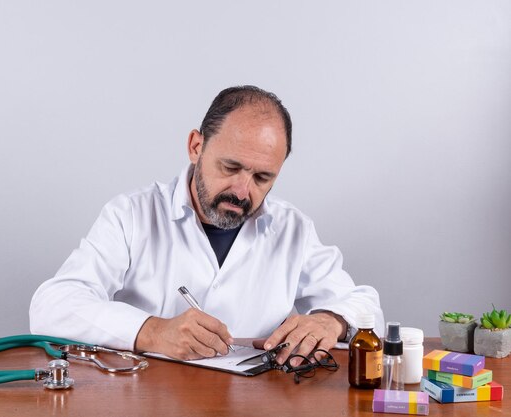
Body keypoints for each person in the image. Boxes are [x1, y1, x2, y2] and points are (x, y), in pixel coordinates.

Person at [30, 85, 384, 365]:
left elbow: (366, 306)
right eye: (230, 168)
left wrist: (332, 320)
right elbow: (52, 305)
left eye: (262, 177)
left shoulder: (293, 230)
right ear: (196, 146)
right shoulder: (131, 215)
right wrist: (151, 332)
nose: (243, 191)